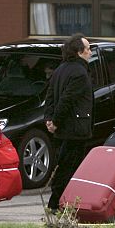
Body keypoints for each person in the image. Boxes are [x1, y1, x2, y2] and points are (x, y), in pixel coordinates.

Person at [43, 34, 94, 214]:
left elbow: (50, 96)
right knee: (69, 166)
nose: (90, 52)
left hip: (64, 127)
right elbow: (67, 99)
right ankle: (56, 203)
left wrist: (49, 118)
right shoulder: (80, 72)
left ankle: (58, 202)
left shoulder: (60, 69)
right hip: (75, 127)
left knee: (64, 162)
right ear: (79, 52)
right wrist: (54, 120)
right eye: (87, 48)